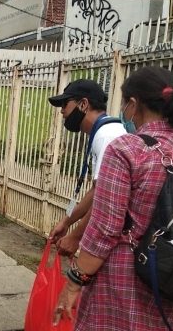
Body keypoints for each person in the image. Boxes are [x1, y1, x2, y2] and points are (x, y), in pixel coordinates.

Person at [53, 66, 173, 331]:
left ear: (133, 105)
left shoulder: (126, 150)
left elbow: (105, 229)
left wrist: (74, 283)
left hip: (124, 293)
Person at [47, 80, 127, 256]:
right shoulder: (104, 131)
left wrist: (75, 237)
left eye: (64, 105)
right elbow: (96, 190)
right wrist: (67, 222)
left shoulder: (106, 136)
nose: (62, 112)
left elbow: (103, 198)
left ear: (83, 104)